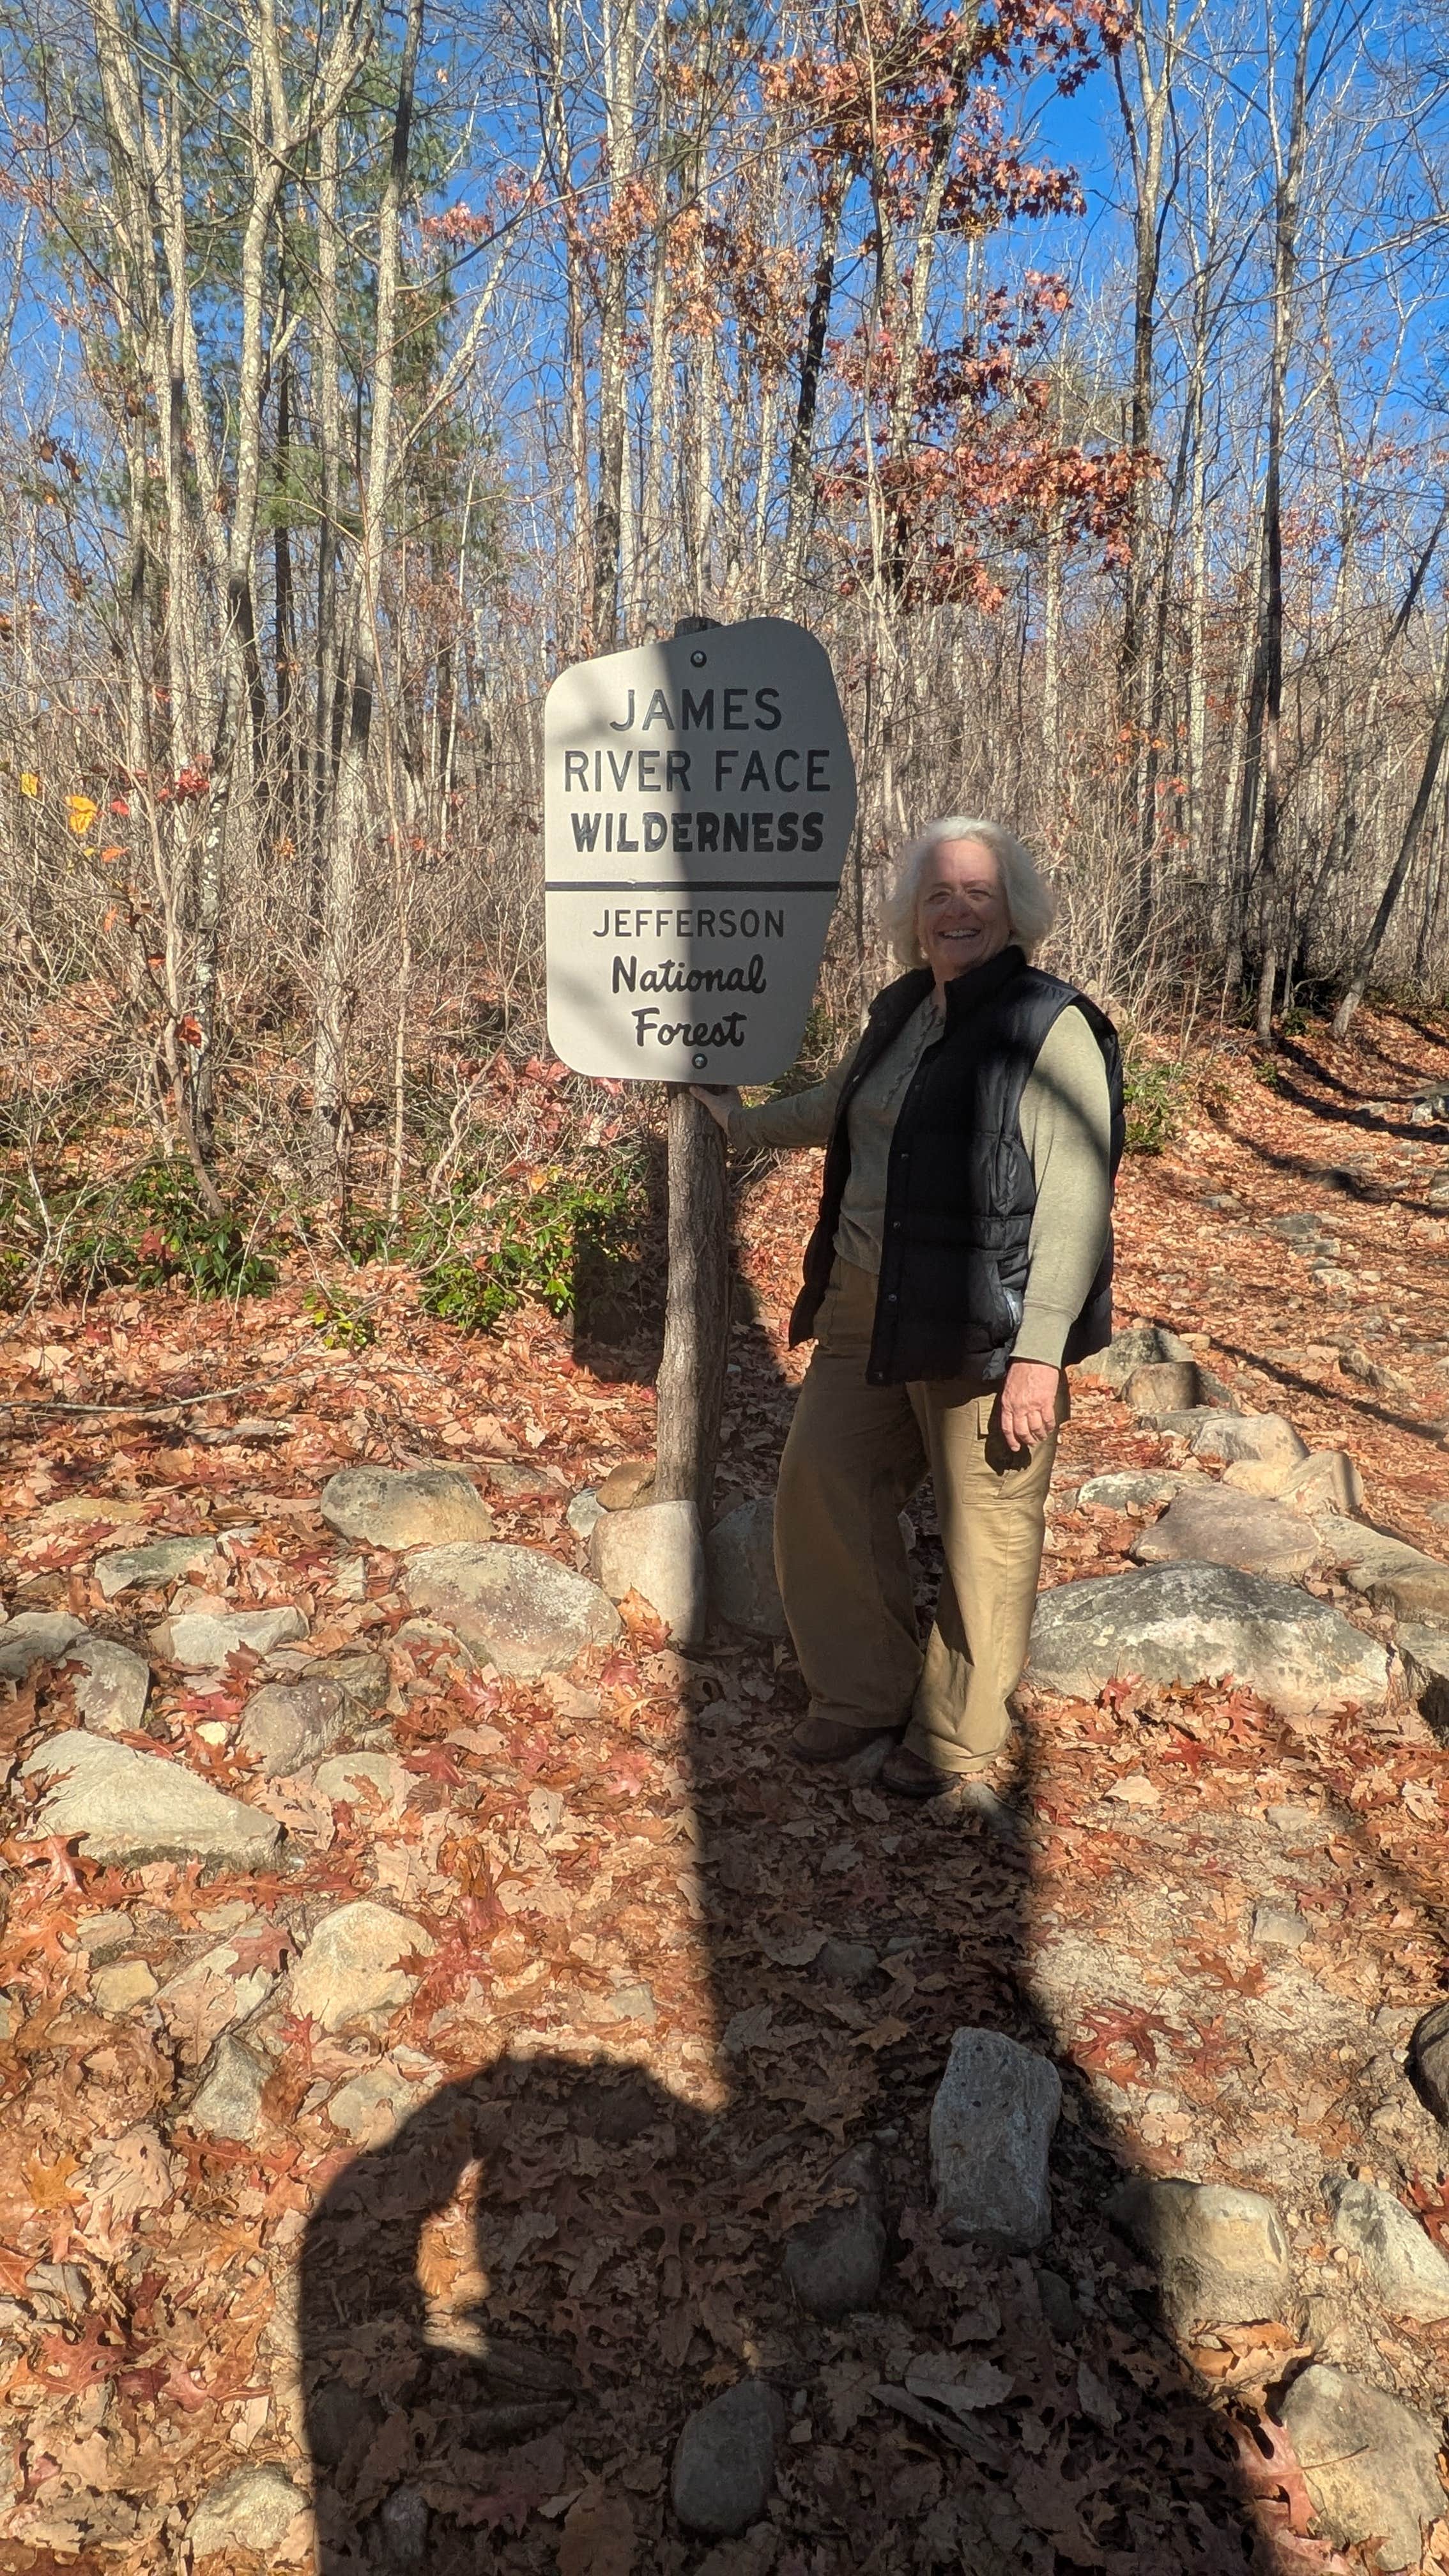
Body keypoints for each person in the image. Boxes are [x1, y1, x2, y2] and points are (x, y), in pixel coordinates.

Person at [692, 816, 1123, 1799]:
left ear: (1015, 910)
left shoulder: (1048, 1024)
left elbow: (1076, 1200)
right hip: (865, 1300)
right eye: (938, 895)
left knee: (988, 1529)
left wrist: (1039, 1353)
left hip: (985, 1322)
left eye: (977, 893)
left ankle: (957, 1739)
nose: (957, 910)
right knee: (821, 1485)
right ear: (912, 918)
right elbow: (839, 1106)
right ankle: (863, 1693)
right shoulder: (900, 1015)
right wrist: (738, 1118)